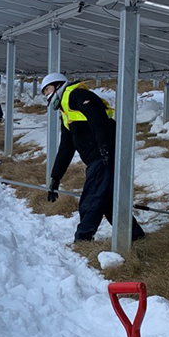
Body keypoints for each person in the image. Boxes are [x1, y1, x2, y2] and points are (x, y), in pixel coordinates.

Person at [41, 72, 145, 243]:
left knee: (92, 199)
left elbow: (98, 119)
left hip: (103, 156)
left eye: (47, 89)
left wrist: (105, 149)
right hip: (99, 157)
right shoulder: (66, 110)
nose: (46, 95)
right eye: (44, 92)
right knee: (108, 202)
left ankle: (83, 240)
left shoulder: (77, 95)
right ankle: (135, 235)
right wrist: (55, 177)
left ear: (59, 86)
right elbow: (66, 147)